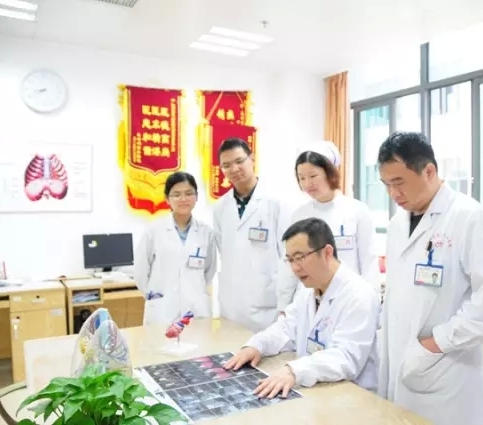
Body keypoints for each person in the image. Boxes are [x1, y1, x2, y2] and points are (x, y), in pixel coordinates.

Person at [375, 131, 483, 425]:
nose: (393, 194)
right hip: (401, 362)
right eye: (386, 185)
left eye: (399, 182)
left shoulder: (469, 217)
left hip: (445, 369)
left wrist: (436, 343)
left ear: (429, 171)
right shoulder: (397, 225)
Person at [223, 217, 379, 398]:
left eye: (300, 258)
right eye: (290, 260)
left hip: (352, 396)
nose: (295, 268)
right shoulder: (308, 289)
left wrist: (294, 371)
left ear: (327, 252)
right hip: (318, 391)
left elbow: (346, 357)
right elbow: (286, 328)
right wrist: (257, 346)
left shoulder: (359, 294)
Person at [212, 138, 296, 332]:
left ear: (252, 159)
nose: (234, 169)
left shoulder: (277, 202)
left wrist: (285, 304)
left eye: (239, 161)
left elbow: (288, 256)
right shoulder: (220, 207)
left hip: (267, 306)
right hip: (231, 306)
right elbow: (224, 252)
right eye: (226, 165)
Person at [291, 141, 379, 292]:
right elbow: (291, 265)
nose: (307, 184)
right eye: (302, 178)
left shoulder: (357, 210)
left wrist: (371, 298)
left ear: (330, 173)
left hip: (349, 296)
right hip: (309, 298)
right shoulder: (299, 215)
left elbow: (369, 262)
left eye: (313, 176)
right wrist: (284, 302)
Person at [134, 171, 217, 325]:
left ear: (196, 197)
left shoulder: (206, 233)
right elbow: (140, 272)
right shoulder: (154, 231)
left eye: (189, 193)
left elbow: (209, 271)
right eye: (176, 194)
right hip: (162, 311)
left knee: (198, 340)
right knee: (159, 341)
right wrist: (153, 297)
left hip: (196, 310)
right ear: (167, 199)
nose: (183, 199)